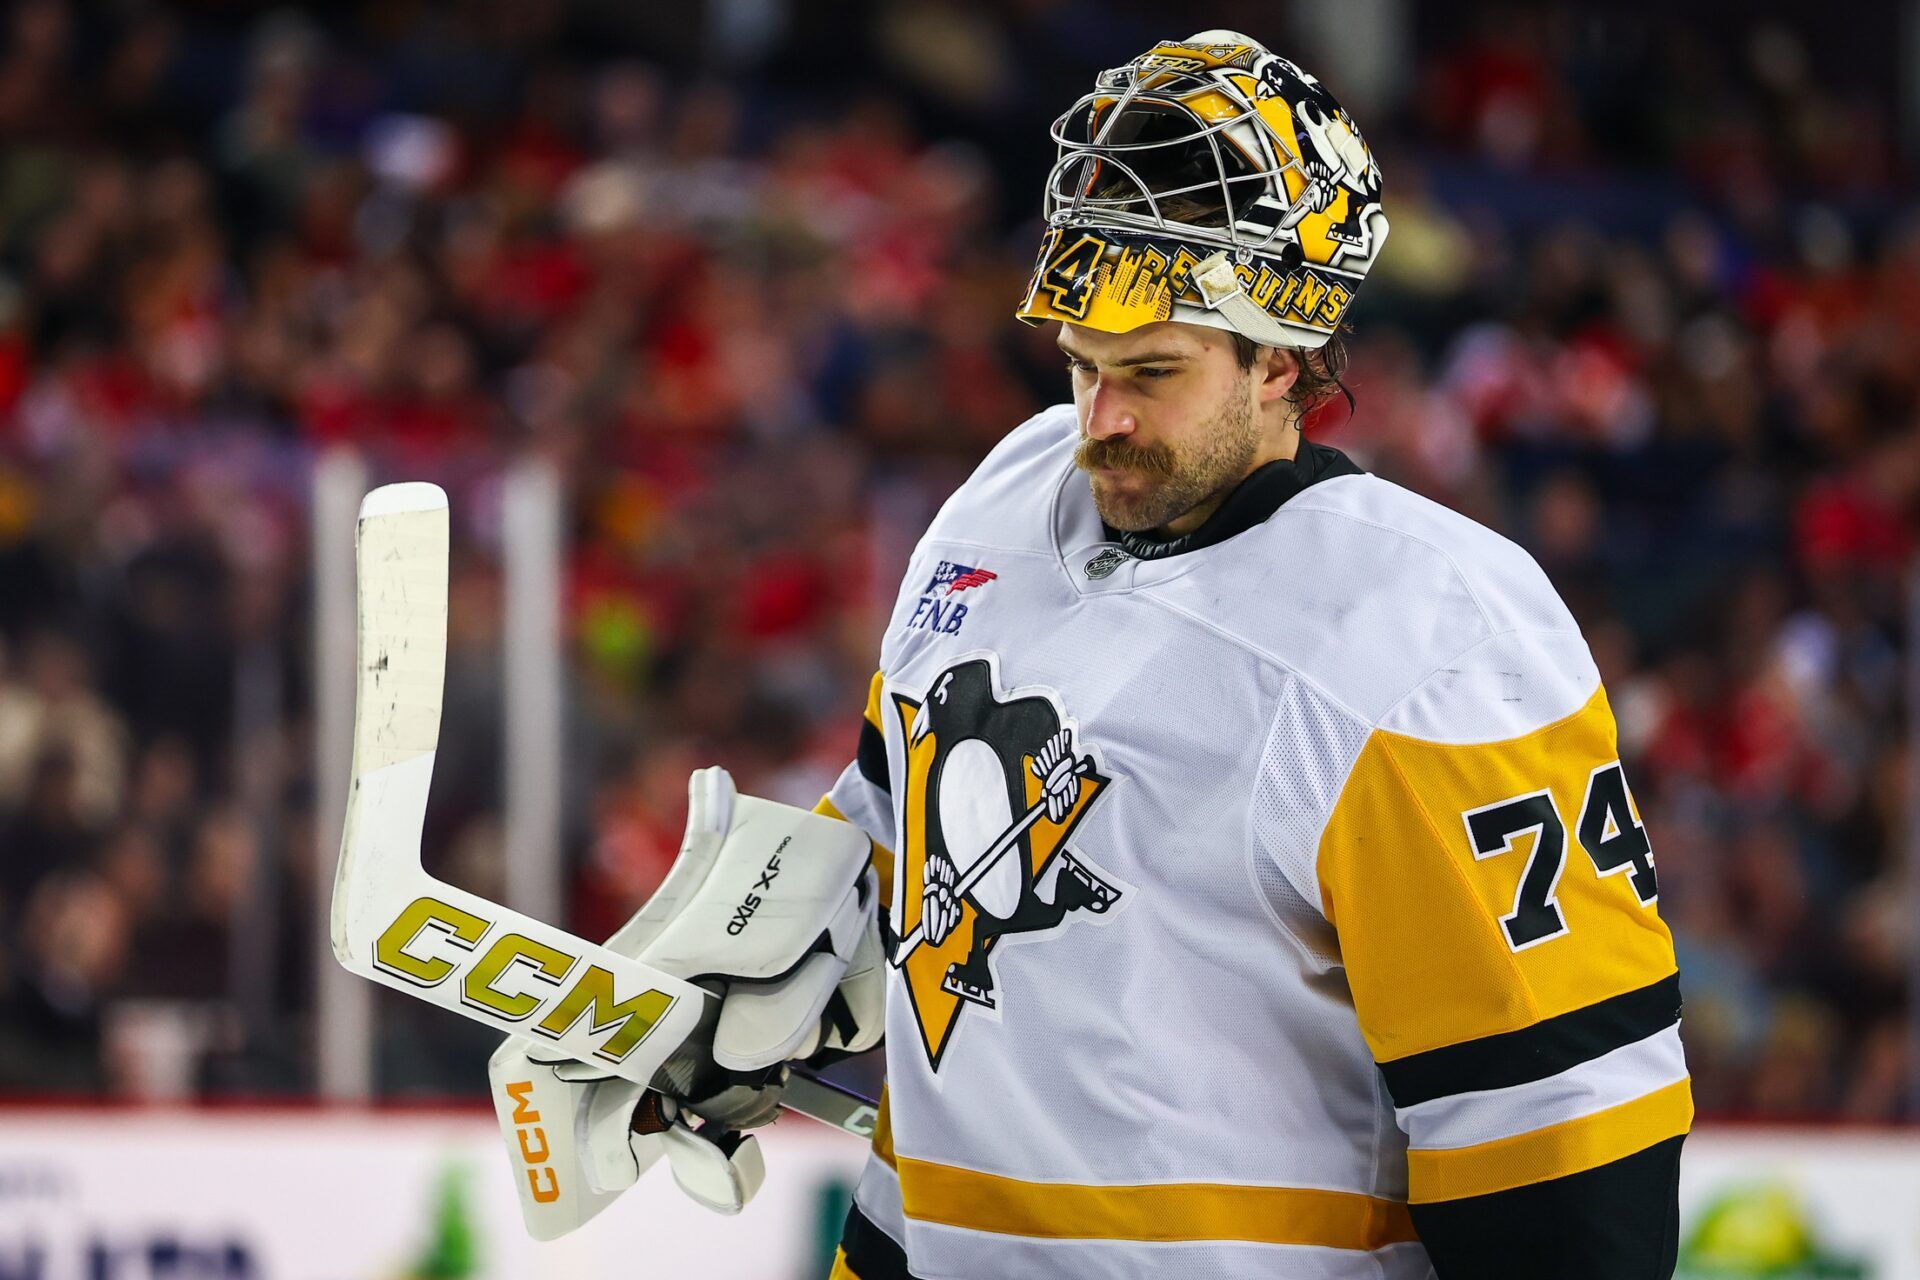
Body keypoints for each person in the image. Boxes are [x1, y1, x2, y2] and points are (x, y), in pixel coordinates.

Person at [502, 31, 1690, 1278]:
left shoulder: (1427, 634)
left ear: (1283, 357)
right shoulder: (1003, 497)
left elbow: (1567, 1171)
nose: (1099, 421)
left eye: (1152, 371)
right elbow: (892, 835)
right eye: (1080, 363)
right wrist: (745, 968)